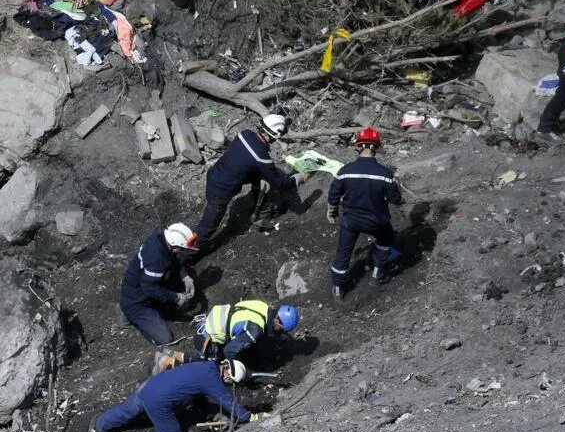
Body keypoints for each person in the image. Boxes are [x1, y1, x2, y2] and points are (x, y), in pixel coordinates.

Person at [89, 359, 269, 432]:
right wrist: (248, 418)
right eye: (232, 382)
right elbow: (228, 401)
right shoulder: (212, 379)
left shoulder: (206, 366)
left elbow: (198, 397)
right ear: (228, 375)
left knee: (126, 412)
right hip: (158, 402)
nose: (229, 385)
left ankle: (98, 425)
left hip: (149, 386)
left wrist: (212, 415)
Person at [194, 114, 310, 254]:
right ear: (273, 136)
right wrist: (299, 178)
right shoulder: (261, 157)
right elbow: (281, 184)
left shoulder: (245, 134)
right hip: (220, 191)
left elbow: (249, 159)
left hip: (214, 174)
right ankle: (184, 258)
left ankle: (261, 212)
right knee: (206, 229)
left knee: (258, 174)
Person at [327, 128, 403, 300]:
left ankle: (338, 288)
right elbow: (396, 199)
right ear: (376, 148)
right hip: (377, 220)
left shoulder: (345, 170)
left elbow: (334, 195)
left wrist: (332, 210)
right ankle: (377, 275)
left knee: (343, 252)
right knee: (386, 238)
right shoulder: (385, 174)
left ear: (358, 147)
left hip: (351, 221)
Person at [154, 301, 300, 372]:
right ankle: (168, 363)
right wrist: (242, 372)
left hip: (206, 327)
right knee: (211, 370)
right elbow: (230, 351)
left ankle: (173, 354)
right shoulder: (255, 330)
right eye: (280, 330)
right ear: (276, 321)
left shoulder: (262, 307)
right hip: (206, 340)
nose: (279, 333)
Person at [119, 223, 199, 346]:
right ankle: (127, 314)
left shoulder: (161, 238)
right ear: (174, 245)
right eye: (182, 249)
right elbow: (150, 289)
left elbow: (174, 258)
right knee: (165, 339)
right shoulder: (156, 259)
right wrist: (175, 297)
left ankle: (158, 307)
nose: (183, 252)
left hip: (146, 284)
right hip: (137, 302)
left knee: (171, 281)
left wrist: (185, 277)